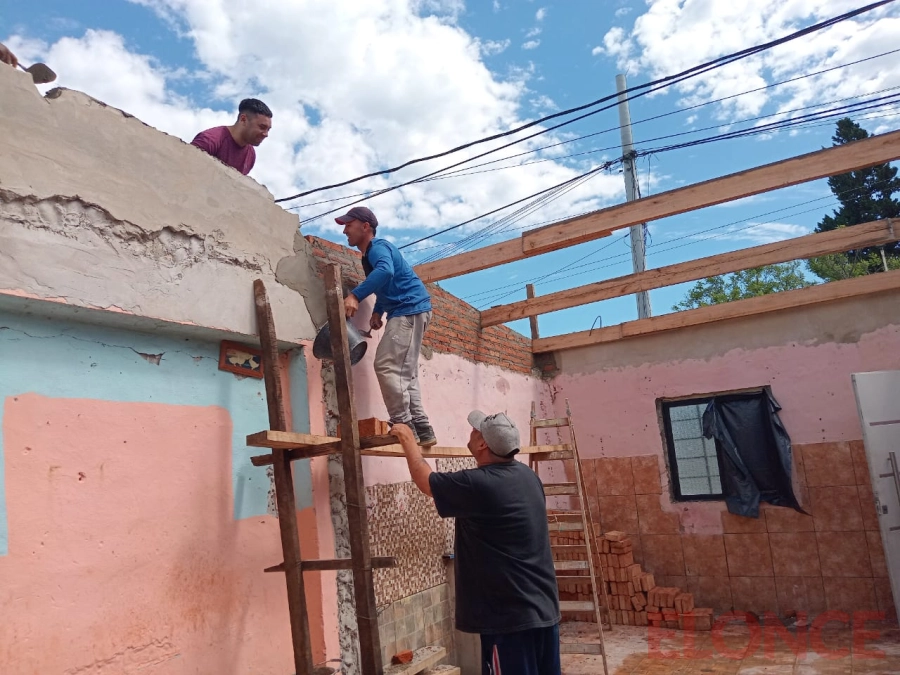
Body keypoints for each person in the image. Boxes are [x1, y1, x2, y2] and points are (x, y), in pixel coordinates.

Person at [390, 412, 562, 675]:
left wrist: (407, 438)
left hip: (510, 620)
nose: (470, 432)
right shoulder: (528, 477)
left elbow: (425, 481)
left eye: (475, 431)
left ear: (483, 444)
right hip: (543, 611)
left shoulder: (480, 483)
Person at [338, 206, 436, 447]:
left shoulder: (378, 248)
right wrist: (378, 310)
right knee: (405, 372)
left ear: (365, 227)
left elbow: (385, 271)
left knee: (385, 365)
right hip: (410, 310)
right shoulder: (371, 254)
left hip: (409, 310)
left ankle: (403, 424)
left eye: (348, 224)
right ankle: (422, 429)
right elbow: (387, 282)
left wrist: (355, 296)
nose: (344, 230)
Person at [191, 98, 272, 175]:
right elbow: (184, 165)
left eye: (268, 129)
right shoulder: (210, 140)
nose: (266, 134)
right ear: (243, 119)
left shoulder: (251, 155)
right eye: (262, 127)